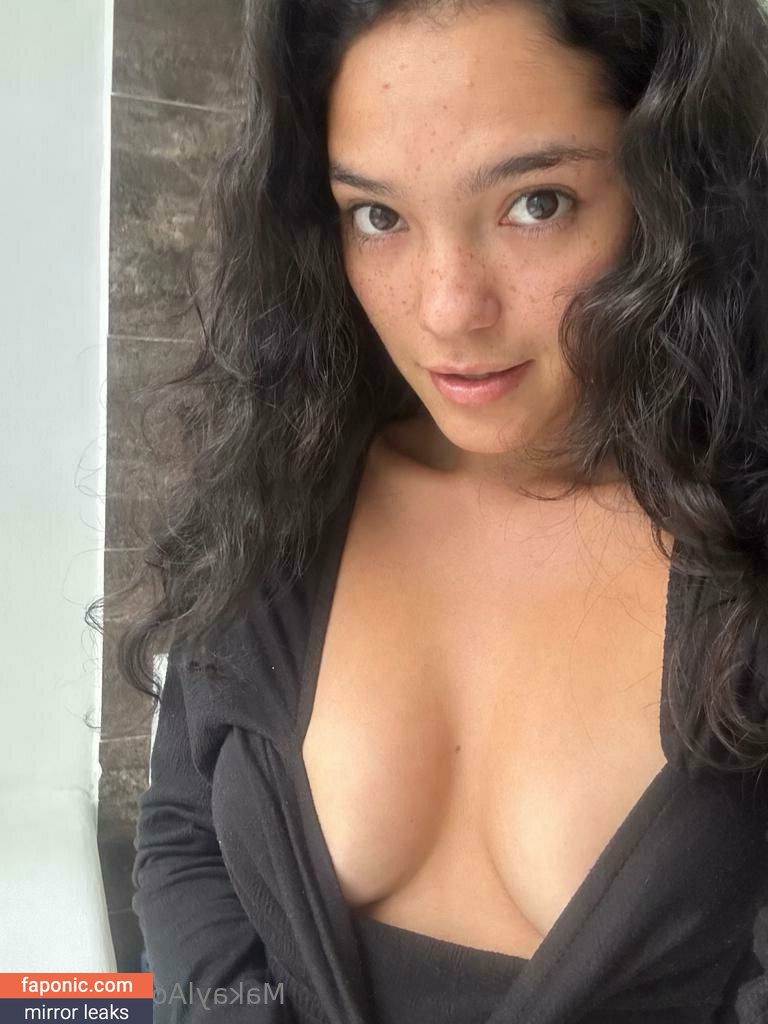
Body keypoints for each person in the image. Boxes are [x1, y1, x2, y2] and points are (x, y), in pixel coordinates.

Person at [102, 0, 768, 1020]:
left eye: (537, 203)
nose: (448, 308)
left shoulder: (745, 556)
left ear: (676, 190)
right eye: (379, 216)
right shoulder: (286, 491)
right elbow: (188, 832)